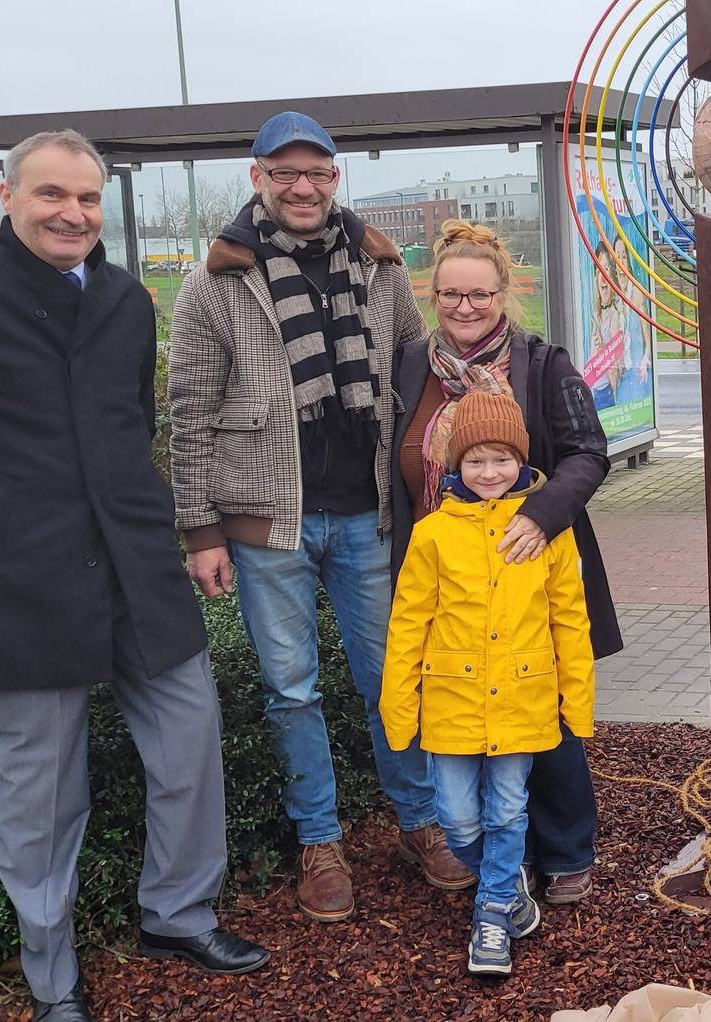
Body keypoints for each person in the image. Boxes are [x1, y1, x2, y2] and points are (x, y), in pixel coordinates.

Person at [0, 130, 266, 1022]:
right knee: (43, 788)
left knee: (188, 738)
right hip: (20, 578)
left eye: (88, 199)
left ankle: (176, 911)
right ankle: (52, 975)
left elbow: (132, 425)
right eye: (53, 195)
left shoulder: (129, 301)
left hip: (136, 562)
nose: (73, 214)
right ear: (10, 198)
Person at [168, 111, 468, 920]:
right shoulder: (217, 283)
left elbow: (419, 372)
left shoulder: (379, 269)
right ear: (257, 176)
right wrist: (199, 531)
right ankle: (320, 841)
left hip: (366, 517)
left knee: (391, 679)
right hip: (269, 525)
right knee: (292, 691)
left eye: (320, 173)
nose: (304, 188)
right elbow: (189, 411)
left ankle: (420, 822)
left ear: (337, 180)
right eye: (286, 173)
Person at [390, 220, 622, 906]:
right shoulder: (409, 366)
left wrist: (541, 515)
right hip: (447, 571)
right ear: (433, 293)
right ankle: (504, 860)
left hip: (528, 557)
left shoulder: (542, 364)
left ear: (504, 293)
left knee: (541, 721)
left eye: (480, 294)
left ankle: (566, 849)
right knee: (467, 721)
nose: (465, 307)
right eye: (451, 294)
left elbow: (589, 452)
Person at [383, 391, 597, 976]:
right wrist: (399, 708)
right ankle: (510, 890)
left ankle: (494, 914)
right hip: (451, 705)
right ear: (455, 465)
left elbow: (569, 620)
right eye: (475, 461)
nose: (489, 473)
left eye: (502, 459)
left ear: (521, 460)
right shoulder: (432, 535)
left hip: (523, 702)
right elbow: (407, 625)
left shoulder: (546, 530)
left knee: (507, 811)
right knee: (456, 817)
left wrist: (575, 702)